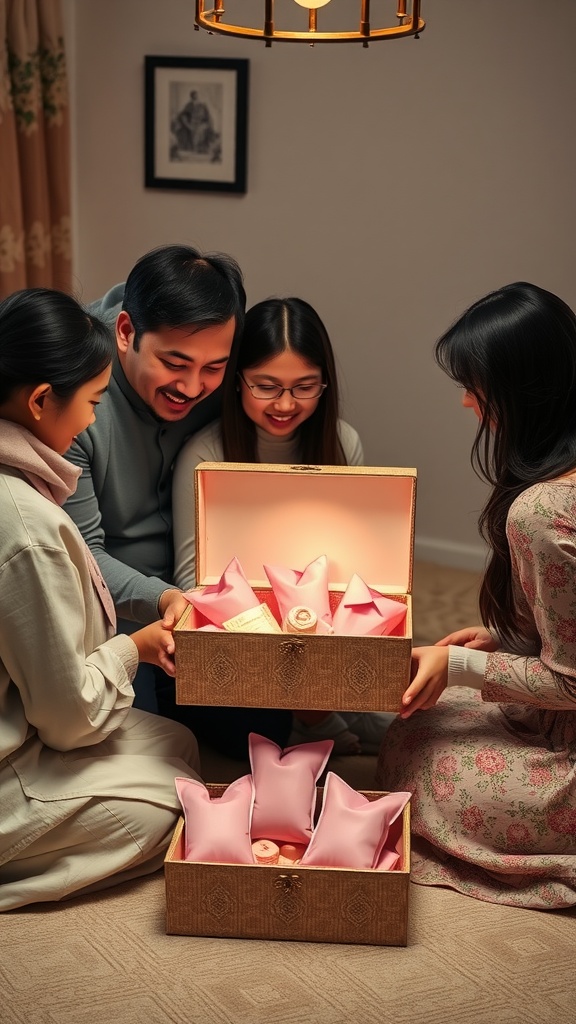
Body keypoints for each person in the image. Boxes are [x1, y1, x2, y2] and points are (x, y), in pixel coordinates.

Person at [376, 281, 576, 909]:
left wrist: (463, 664)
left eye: (478, 388)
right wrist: (508, 641)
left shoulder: (544, 511)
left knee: (421, 763)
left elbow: (571, 683)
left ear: (524, 389)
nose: (468, 403)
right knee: (423, 727)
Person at [0, 288, 201, 911]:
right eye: (89, 402)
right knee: (174, 803)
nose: (91, 420)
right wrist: (135, 647)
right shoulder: (24, 523)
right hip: (23, 748)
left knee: (180, 746)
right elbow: (66, 720)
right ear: (40, 401)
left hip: (28, 717)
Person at [172, 296, 395, 757]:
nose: (286, 404)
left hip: (324, 623)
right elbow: (193, 582)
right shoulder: (205, 454)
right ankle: (317, 719)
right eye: (267, 386)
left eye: (305, 386)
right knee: (253, 728)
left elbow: (358, 569)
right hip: (242, 631)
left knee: (394, 706)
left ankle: (328, 716)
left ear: (325, 384)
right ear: (238, 382)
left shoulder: (342, 442)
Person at [63, 244, 245, 709]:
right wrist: (164, 599)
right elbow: (80, 555)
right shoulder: (75, 398)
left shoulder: (211, 367)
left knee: (261, 723)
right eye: (175, 364)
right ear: (126, 332)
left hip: (191, 587)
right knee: (136, 734)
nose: (191, 388)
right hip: (108, 610)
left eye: (214, 368)